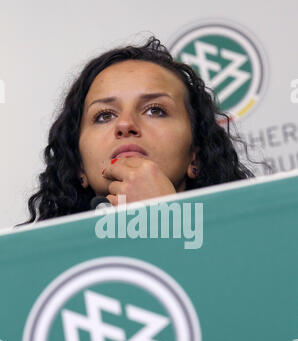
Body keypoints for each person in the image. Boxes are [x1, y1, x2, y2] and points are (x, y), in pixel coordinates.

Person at [19, 36, 254, 225]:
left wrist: (166, 217)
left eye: (155, 110)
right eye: (104, 115)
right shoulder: (38, 268)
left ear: (195, 155)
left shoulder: (251, 241)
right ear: (79, 166)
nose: (125, 124)